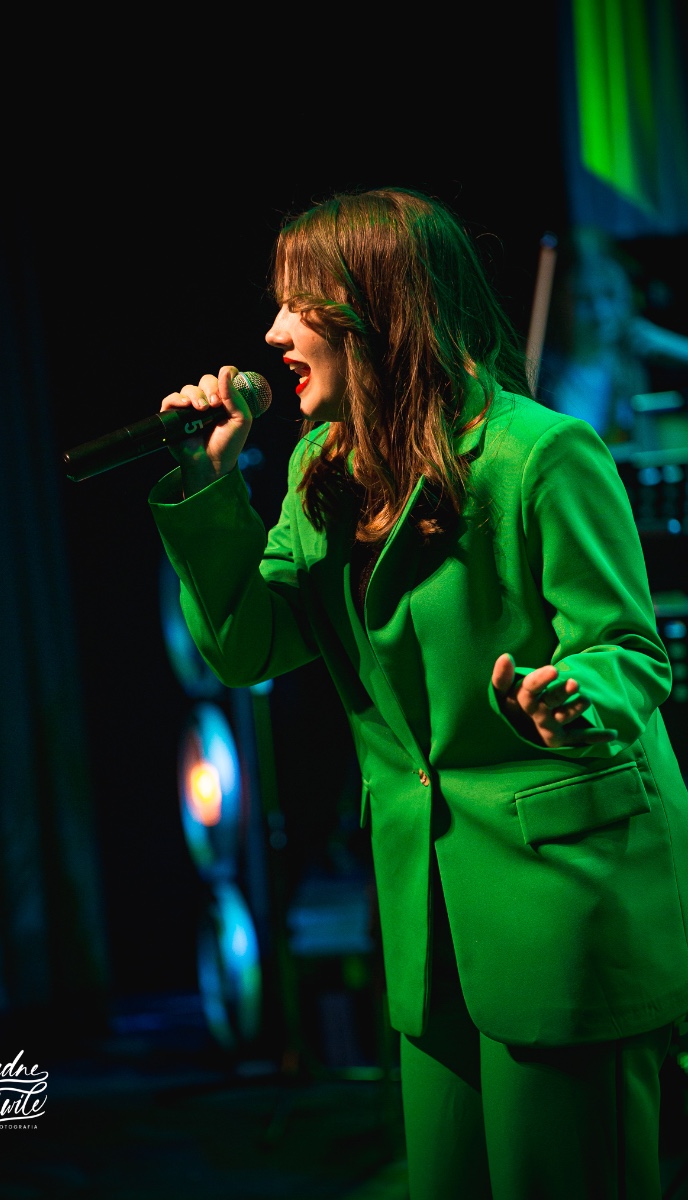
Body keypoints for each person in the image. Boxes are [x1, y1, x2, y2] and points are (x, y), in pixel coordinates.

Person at [147, 187, 688, 1199]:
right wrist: (209, 485)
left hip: (562, 908)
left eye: (298, 304)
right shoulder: (323, 468)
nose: (271, 335)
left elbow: (627, 650)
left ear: (377, 311)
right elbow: (250, 646)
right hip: (431, 920)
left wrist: (569, 695)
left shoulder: (537, 455)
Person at [537, 224, 688, 448]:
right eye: (584, 300)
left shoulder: (636, 358)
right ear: (560, 302)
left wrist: (664, 342)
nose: (601, 314)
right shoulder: (543, 373)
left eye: (609, 294)